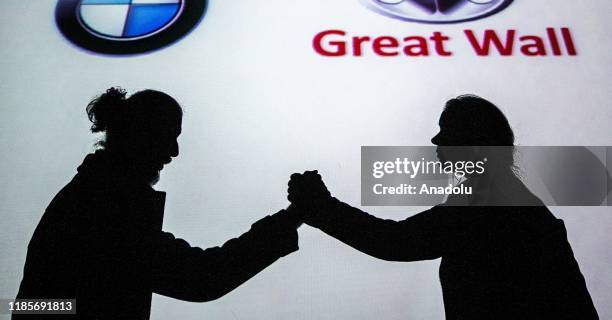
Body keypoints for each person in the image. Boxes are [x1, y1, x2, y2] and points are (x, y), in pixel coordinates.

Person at [288, 95, 599, 319]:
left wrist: (321, 208)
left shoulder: (490, 204)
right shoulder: (500, 198)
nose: (435, 138)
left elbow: (399, 241)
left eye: (447, 130)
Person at [15, 87, 301, 320]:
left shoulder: (90, 195)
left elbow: (31, 304)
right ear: (140, 135)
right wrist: (293, 217)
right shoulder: (105, 204)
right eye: (169, 137)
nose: (174, 151)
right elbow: (201, 278)